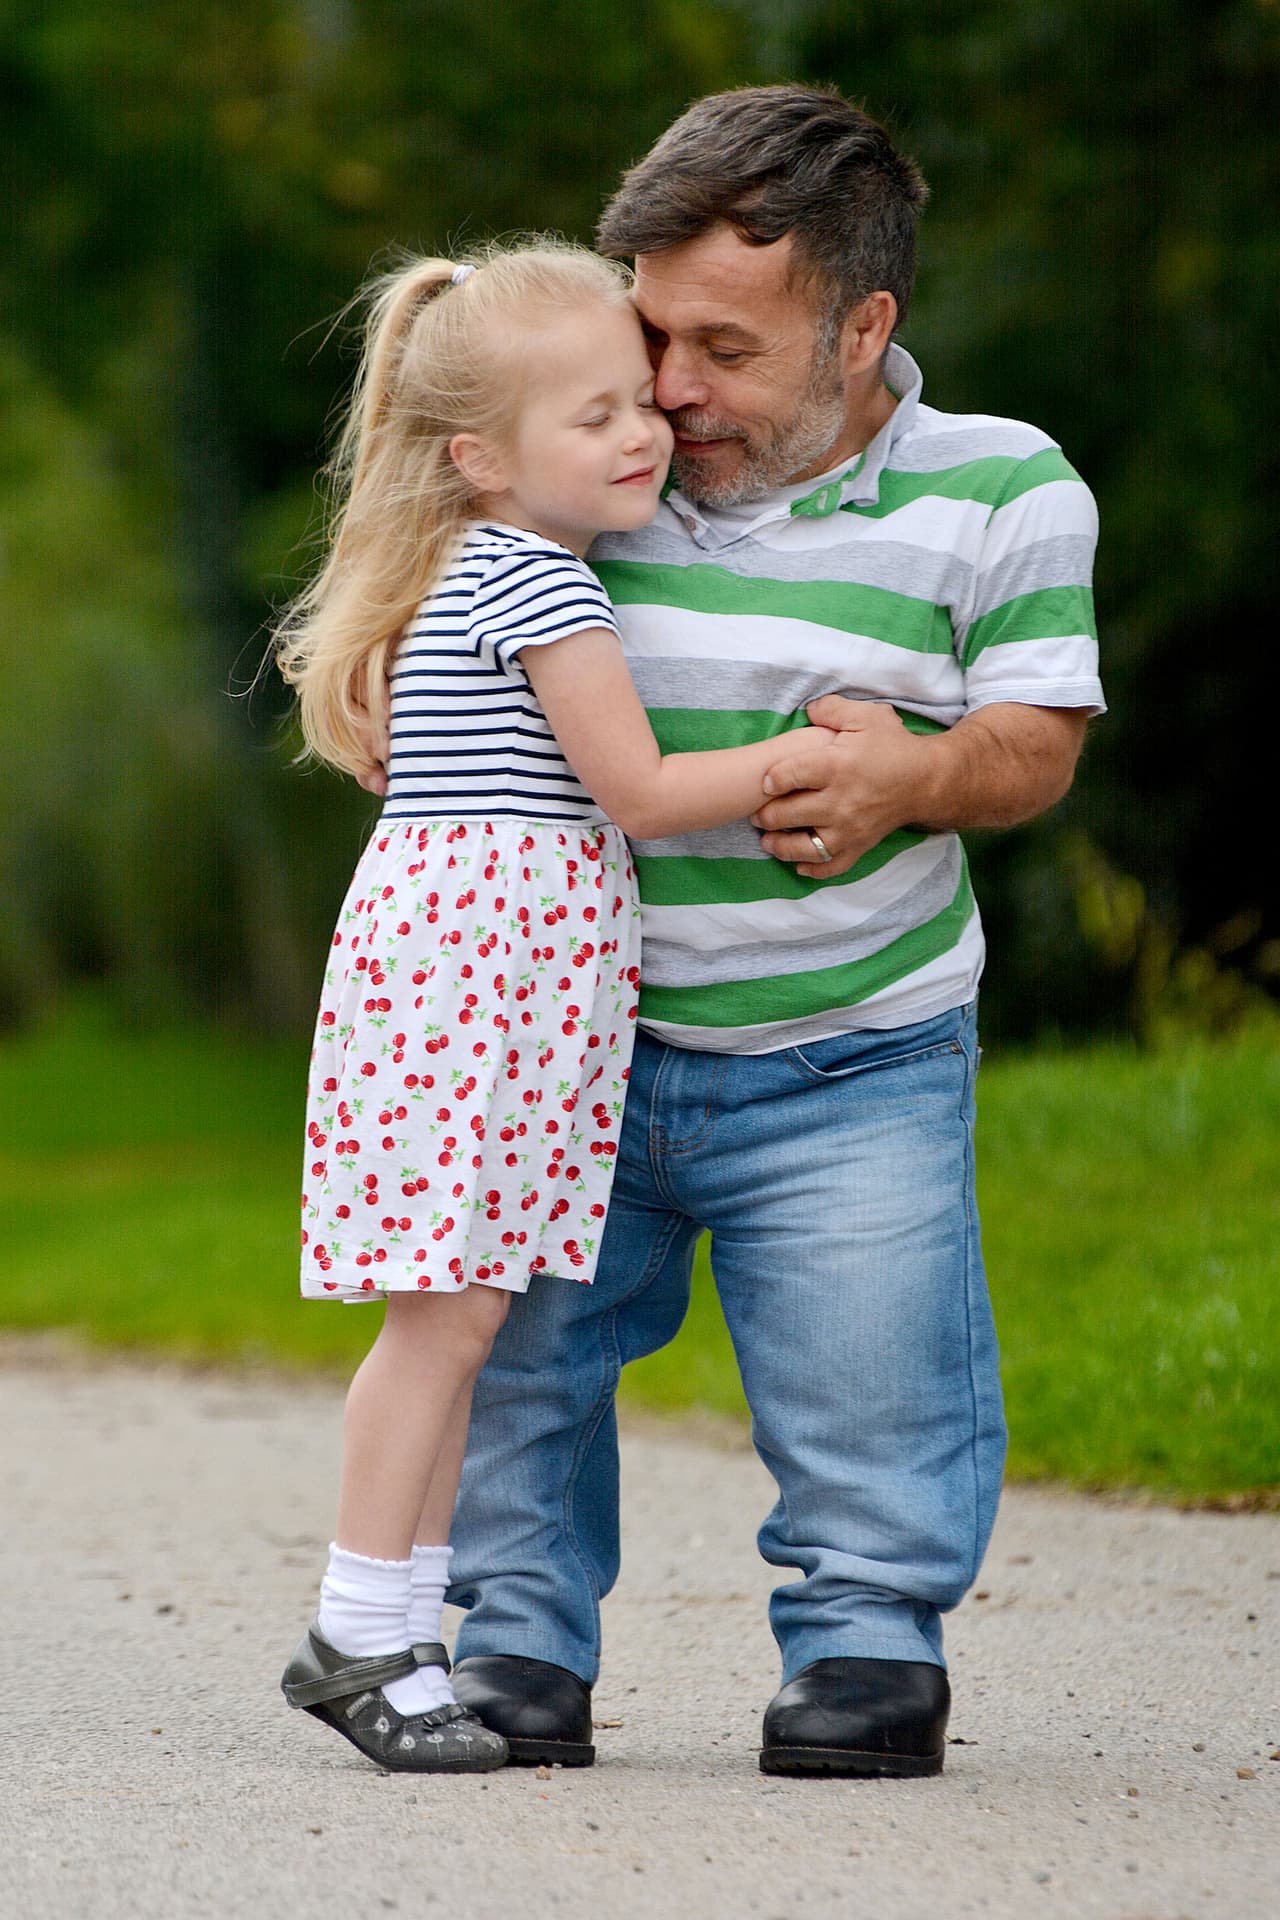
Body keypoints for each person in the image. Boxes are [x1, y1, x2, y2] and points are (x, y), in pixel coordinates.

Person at [427, 88, 1106, 1777]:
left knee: (872, 1366)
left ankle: (869, 1645)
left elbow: (1037, 745)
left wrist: (911, 776)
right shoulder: (592, 477)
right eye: (652, 333)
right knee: (522, 1356)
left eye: (724, 349)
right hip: (576, 1044)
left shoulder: (1002, 488)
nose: (668, 389)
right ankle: (514, 1640)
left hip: (850, 1046)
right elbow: (424, 611)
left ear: (865, 325)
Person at [272, 240, 840, 1773]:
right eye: (593, 416)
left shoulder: (456, 571)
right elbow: (644, 794)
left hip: (482, 981)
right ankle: (357, 1629)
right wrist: (829, 757)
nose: (644, 429)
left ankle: (395, 1624)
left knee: (459, 1322)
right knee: (444, 1325)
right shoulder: (535, 577)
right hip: (483, 990)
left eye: (635, 399)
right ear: (480, 455)